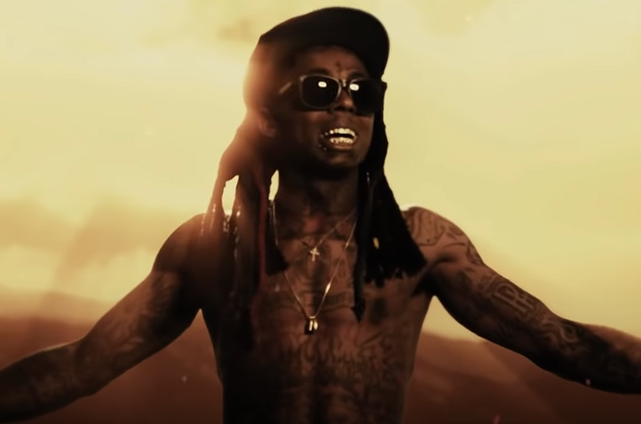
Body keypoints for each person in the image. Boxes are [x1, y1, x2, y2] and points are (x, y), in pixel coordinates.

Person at [0, 6, 640, 424]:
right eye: (319, 90)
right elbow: (83, 365)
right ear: (267, 117)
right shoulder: (211, 248)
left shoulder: (420, 243)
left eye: (362, 91)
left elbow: (562, 343)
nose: (345, 107)